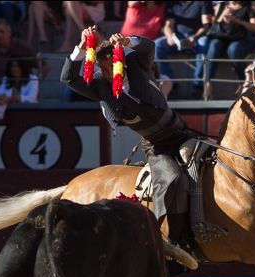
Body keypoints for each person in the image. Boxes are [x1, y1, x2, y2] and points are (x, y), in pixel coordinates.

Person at [61, 26, 200, 251]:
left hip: (181, 131)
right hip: (157, 146)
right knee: (171, 179)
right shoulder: (100, 88)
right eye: (102, 69)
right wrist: (81, 46)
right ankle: (171, 240)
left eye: (109, 67)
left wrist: (127, 41)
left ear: (119, 62)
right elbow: (68, 77)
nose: (107, 73)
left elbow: (149, 46)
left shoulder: (137, 65)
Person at [192, 1, 255, 99]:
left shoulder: (248, 7)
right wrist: (223, 15)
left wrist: (237, 21)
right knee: (214, 44)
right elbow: (214, 24)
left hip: (240, 39)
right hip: (222, 37)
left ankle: (243, 82)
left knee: (233, 49)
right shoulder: (223, 5)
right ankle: (208, 83)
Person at [154, 0, 213, 90]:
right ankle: (170, 82)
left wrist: (195, 38)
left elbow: (206, 26)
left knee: (204, 43)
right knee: (157, 45)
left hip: (197, 37)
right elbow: (168, 25)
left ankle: (198, 84)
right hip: (178, 37)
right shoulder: (173, 3)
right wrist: (170, 37)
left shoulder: (204, 2)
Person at [0, 19, 47, 87]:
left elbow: (44, 67)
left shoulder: (23, 47)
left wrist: (34, 85)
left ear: (9, 32)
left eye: (2, 32)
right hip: (3, 91)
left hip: (23, 89)